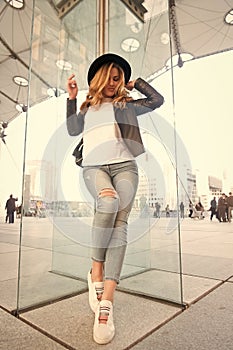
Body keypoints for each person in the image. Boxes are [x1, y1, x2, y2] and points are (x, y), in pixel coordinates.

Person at [66, 53, 164, 344]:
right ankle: (95, 270)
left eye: (118, 76)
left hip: (125, 167)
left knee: (120, 222)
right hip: (94, 167)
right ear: (98, 79)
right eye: (109, 76)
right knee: (107, 203)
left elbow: (157, 100)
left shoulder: (126, 104)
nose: (114, 81)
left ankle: (106, 302)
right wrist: (71, 97)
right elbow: (72, 129)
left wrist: (137, 84)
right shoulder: (88, 107)